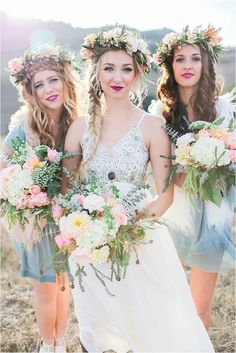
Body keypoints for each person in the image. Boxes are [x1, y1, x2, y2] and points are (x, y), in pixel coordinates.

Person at [63, 26, 215, 352]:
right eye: (109, 68)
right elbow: (66, 189)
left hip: (139, 238)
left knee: (149, 324)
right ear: (96, 72)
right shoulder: (78, 127)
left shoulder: (152, 126)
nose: (117, 76)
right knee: (98, 327)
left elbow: (165, 194)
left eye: (126, 68)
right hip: (89, 242)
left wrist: (126, 228)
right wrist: (87, 228)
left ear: (137, 73)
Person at [149, 25, 235, 329]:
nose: (187, 66)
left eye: (195, 59)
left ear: (206, 63)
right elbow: (155, 164)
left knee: (199, 310)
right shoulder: (159, 113)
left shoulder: (221, 108)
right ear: (170, 67)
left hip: (211, 214)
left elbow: (231, 160)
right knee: (168, 303)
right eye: (180, 59)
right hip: (174, 211)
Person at [1, 43, 83, 353]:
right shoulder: (25, 127)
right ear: (31, 91)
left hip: (70, 218)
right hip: (37, 221)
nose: (48, 89)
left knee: (63, 285)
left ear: (65, 80)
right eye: (39, 84)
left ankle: (60, 341)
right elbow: (4, 164)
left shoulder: (79, 121)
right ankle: (46, 346)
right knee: (46, 288)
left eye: (53, 79)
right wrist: (19, 187)